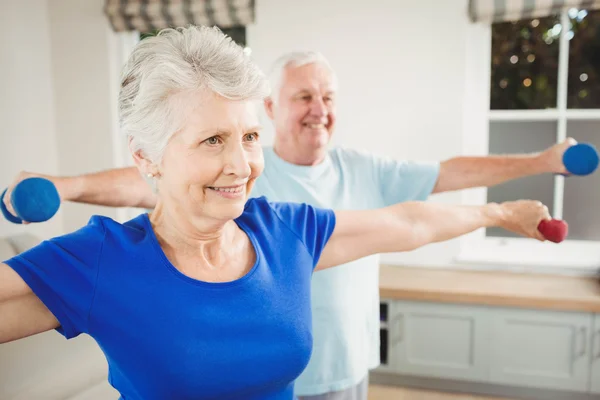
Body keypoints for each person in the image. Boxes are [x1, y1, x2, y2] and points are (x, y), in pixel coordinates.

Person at [2, 44, 575, 399]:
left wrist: (500, 211)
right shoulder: (102, 259)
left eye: (248, 137)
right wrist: (67, 186)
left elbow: (409, 222)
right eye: (212, 140)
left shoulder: (284, 230)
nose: (241, 164)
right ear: (148, 157)